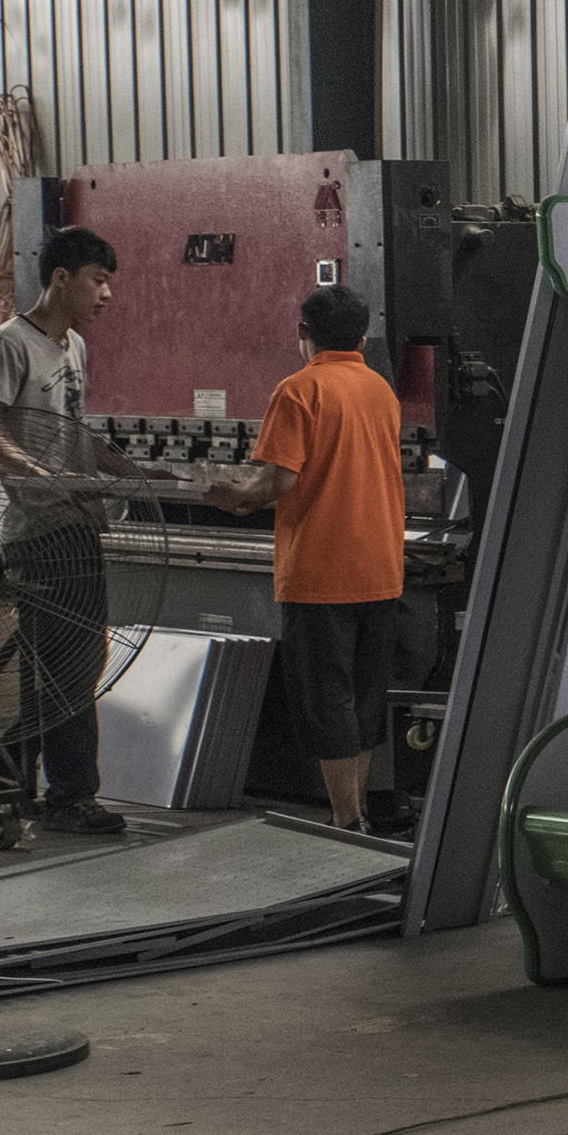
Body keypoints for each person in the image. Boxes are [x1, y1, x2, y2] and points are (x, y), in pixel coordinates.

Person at [207, 286, 407, 833]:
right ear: (362, 336)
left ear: (303, 334)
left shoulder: (299, 390)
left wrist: (237, 495)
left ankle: (345, 818)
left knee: (328, 698)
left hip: (322, 569)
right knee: (365, 696)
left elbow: (282, 478)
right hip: (382, 565)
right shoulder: (381, 390)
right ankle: (357, 810)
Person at [0, 224, 140, 848]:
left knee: (76, 662)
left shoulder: (74, 348)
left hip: (77, 524)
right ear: (62, 279)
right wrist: (40, 475)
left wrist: (138, 473)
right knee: (62, 665)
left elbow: (79, 435)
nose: (106, 296)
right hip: (35, 530)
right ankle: (45, 787)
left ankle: (28, 782)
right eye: (98, 282)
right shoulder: (10, 343)